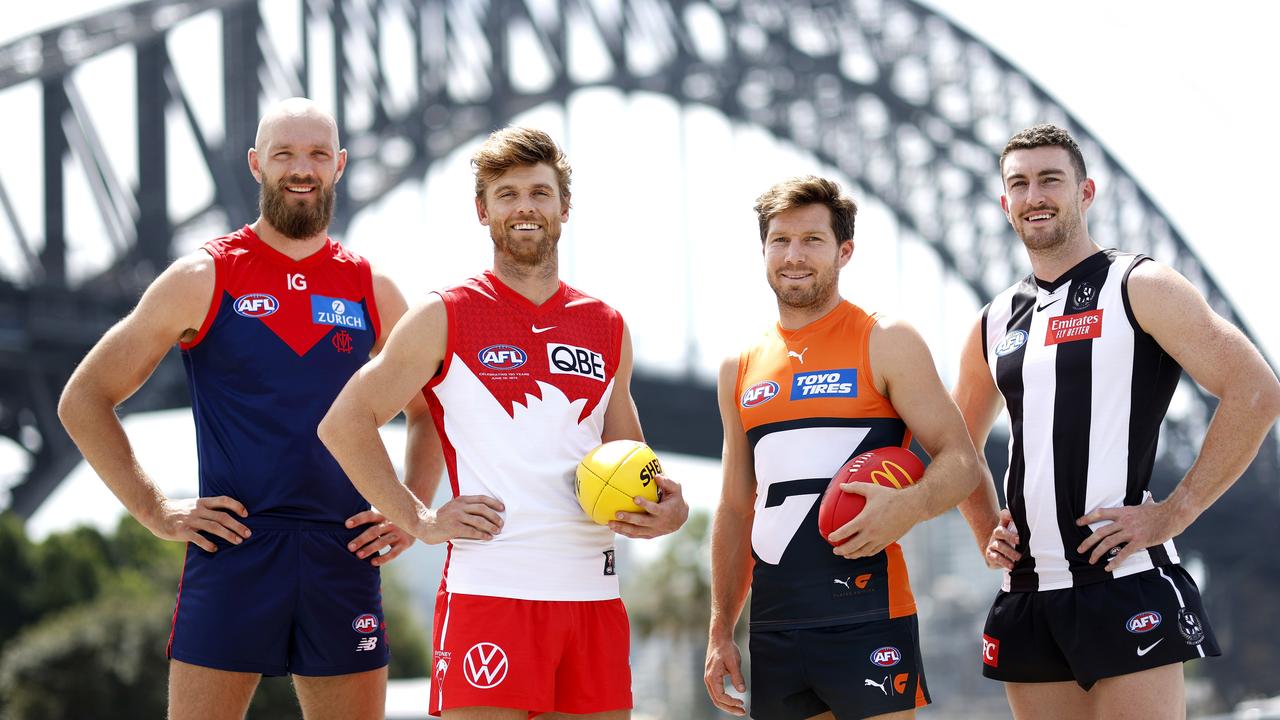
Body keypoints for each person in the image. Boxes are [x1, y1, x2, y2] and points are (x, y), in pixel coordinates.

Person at [57, 97, 448, 720]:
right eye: (284, 154)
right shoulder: (201, 276)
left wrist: (409, 510)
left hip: (343, 553)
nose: (302, 168)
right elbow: (84, 397)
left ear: (340, 165)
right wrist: (154, 509)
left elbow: (430, 411)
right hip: (235, 546)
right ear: (255, 164)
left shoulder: (373, 289)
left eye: (318, 154)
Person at [318, 126, 690, 719]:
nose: (525, 208)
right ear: (482, 210)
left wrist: (670, 508)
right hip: (491, 593)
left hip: (593, 596)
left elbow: (632, 459)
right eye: (508, 193)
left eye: (540, 193)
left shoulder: (607, 325)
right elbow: (343, 423)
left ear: (564, 208)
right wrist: (418, 517)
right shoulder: (445, 314)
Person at [953, 123, 1280, 718]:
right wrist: (982, 528)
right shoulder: (994, 319)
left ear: (1086, 192)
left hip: (1122, 579)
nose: (1035, 196)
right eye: (1019, 184)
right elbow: (956, 444)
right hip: (1026, 592)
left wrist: (1176, 512)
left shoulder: (1140, 284)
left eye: (1051, 179)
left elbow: (1256, 391)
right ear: (1005, 204)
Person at [703, 176, 982, 720]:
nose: (794, 255)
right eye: (780, 240)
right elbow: (736, 507)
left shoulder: (885, 339)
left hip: (868, 614)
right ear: (763, 251)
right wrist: (720, 630)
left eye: (812, 240)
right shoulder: (738, 368)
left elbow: (962, 460)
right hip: (776, 624)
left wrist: (912, 505)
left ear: (844, 251)